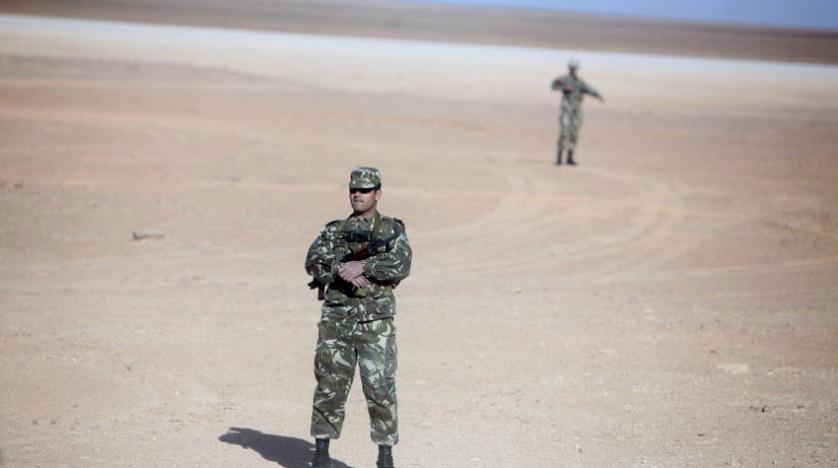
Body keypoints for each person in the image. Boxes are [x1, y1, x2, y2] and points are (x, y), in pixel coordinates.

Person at [304, 167, 412, 468]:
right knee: (329, 386)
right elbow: (313, 260)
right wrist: (340, 268)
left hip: (375, 324)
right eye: (353, 189)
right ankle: (321, 455)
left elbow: (401, 263)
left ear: (378, 193)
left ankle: (385, 457)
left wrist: (364, 266)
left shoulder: (391, 230)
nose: (357, 195)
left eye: (364, 190)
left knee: (380, 388)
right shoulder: (334, 230)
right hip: (337, 321)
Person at [551, 58, 604, 165]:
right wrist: (564, 87)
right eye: (572, 68)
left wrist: (597, 95)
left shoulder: (580, 82)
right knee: (564, 132)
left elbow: (589, 89)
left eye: (575, 68)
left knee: (574, 133)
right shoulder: (564, 79)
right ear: (569, 69)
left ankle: (570, 158)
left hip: (576, 111)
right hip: (566, 109)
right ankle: (559, 158)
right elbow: (554, 86)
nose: (573, 70)